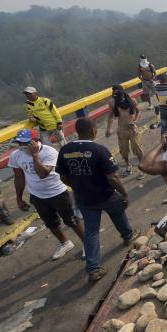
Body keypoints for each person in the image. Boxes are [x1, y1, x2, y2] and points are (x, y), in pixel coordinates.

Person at [55, 118, 134, 281]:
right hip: (106, 194)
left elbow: (62, 177)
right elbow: (112, 177)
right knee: (118, 215)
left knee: (91, 232)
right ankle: (127, 237)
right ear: (93, 131)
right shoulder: (100, 150)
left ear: (78, 131)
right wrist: (124, 194)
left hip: (84, 198)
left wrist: (77, 186)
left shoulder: (65, 150)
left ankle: (93, 268)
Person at [10, 129, 85, 260]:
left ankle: (87, 244)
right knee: (51, 223)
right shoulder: (16, 155)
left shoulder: (49, 152)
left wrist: (34, 156)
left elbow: (43, 174)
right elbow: (19, 177)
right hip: (37, 195)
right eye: (19, 143)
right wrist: (19, 198)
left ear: (36, 141)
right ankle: (65, 243)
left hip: (57, 192)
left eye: (26, 143)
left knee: (72, 220)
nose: (22, 147)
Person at [105, 84, 144, 179]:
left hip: (132, 128)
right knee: (123, 150)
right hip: (121, 128)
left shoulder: (132, 100)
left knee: (137, 148)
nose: (116, 94)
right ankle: (128, 165)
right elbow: (110, 116)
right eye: (115, 93)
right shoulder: (112, 102)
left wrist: (134, 120)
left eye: (118, 92)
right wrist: (108, 129)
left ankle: (142, 168)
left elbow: (138, 111)